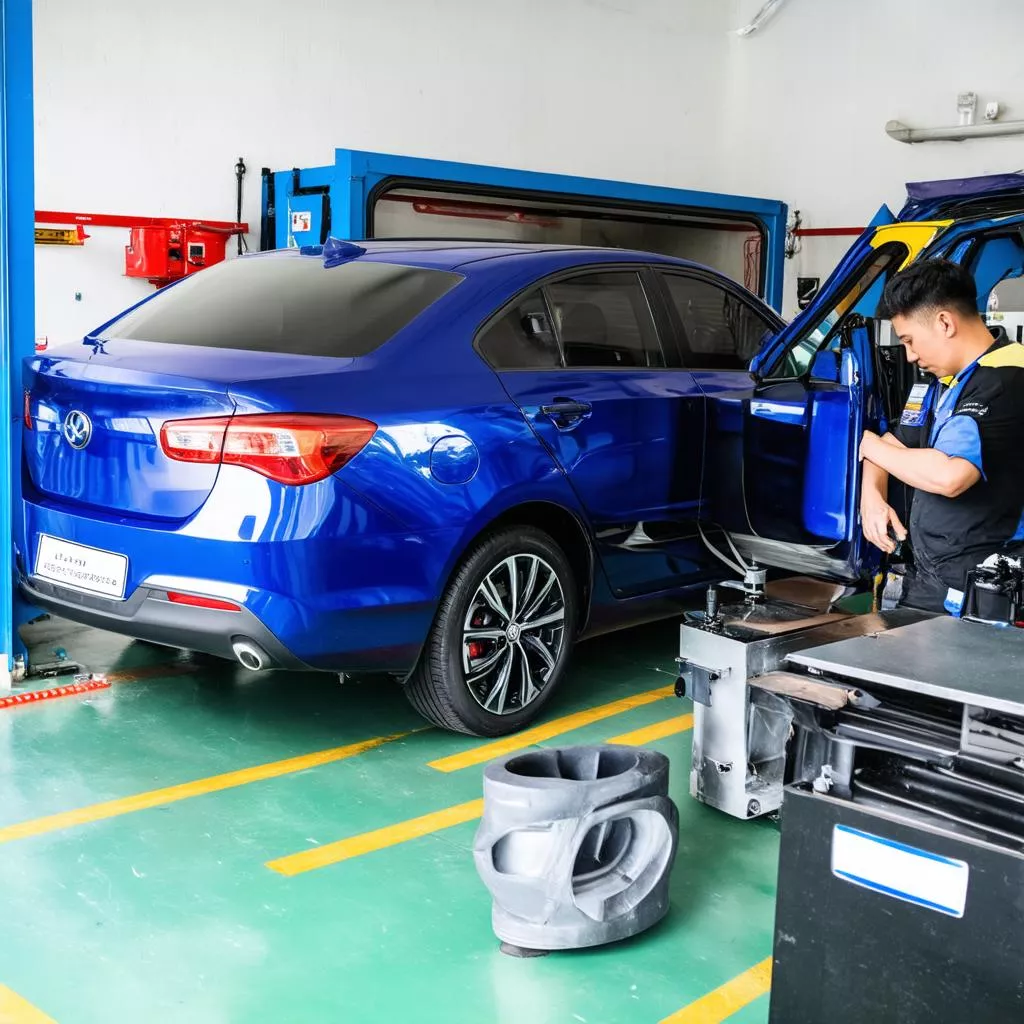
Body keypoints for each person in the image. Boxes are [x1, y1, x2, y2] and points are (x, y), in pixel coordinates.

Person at [859, 259, 1024, 612]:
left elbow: (950, 476)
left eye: (909, 340)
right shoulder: (942, 380)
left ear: (945, 322)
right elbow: (894, 445)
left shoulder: (1007, 379)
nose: (910, 355)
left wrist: (866, 441)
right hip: (932, 577)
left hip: (986, 587)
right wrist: (871, 495)